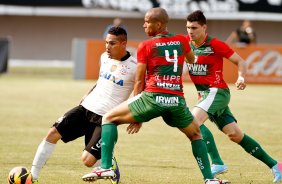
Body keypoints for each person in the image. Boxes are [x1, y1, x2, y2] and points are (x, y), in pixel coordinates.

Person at [82, 7, 229, 184]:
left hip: (152, 97)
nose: (144, 25)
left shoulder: (146, 46)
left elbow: (139, 81)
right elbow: (192, 60)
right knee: (196, 135)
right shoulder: (182, 40)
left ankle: (105, 167)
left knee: (108, 118)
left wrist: (137, 117)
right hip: (176, 100)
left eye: (147, 21)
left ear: (158, 24)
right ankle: (210, 179)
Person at [30, 27, 139, 184]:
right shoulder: (104, 57)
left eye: (112, 43)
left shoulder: (135, 66)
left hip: (106, 119)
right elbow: (101, 81)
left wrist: (137, 118)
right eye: (106, 43)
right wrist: (88, 93)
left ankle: (109, 163)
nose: (107, 47)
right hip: (85, 108)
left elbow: (138, 94)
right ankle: (33, 177)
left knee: (87, 161)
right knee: (52, 133)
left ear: (123, 44)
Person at [185, 10, 281, 183]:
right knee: (235, 135)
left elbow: (241, 61)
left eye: (194, 27)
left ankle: (216, 162)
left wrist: (241, 77)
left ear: (204, 27)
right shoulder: (186, 44)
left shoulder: (215, 44)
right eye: (188, 28)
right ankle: (276, 165)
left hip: (217, 92)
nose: (190, 31)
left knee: (192, 123)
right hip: (205, 96)